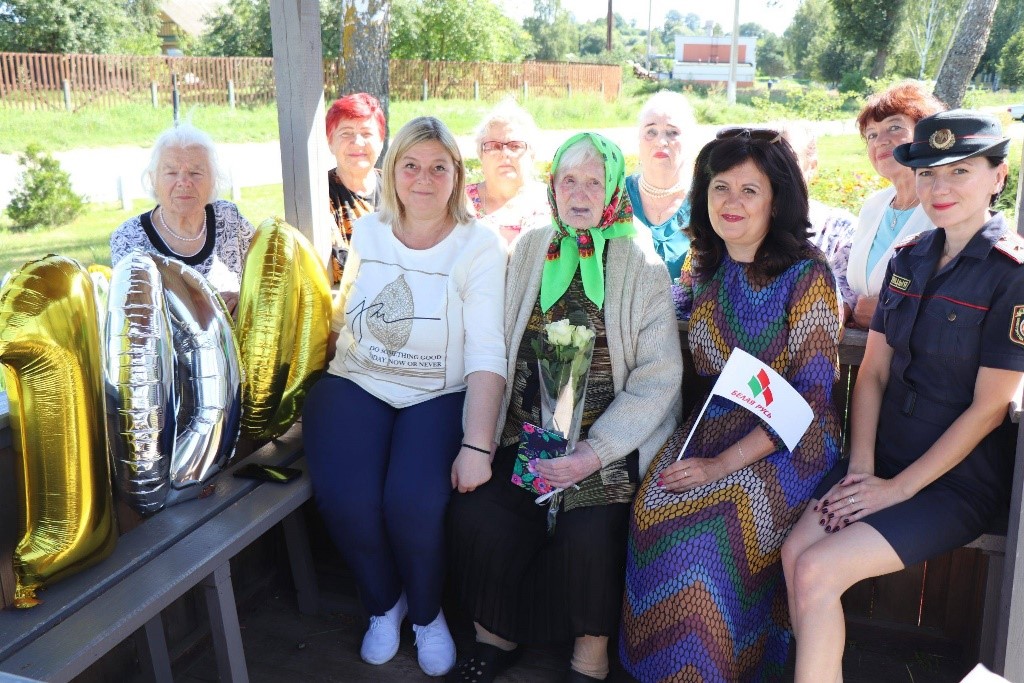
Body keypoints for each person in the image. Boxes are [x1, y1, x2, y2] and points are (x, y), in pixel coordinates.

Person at [782, 111, 1024, 682]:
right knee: (795, 556)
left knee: (817, 570)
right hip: (882, 463)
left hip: (953, 483)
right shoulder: (909, 257)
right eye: (929, 173)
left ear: (998, 176)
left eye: (960, 171)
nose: (940, 188)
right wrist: (863, 470)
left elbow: (989, 408)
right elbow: (872, 374)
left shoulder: (1012, 275)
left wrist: (897, 490)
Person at [446, 133, 682, 683]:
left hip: (606, 445)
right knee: (484, 514)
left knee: (590, 533)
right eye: (568, 181)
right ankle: (494, 635)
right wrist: (489, 437)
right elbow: (496, 343)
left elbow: (658, 380)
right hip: (530, 435)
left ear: (613, 189)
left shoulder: (641, 263)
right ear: (552, 187)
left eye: (594, 182)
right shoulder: (533, 247)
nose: (579, 193)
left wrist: (592, 453)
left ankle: (588, 658)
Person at [621, 128, 842, 682]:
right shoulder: (706, 267)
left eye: (750, 190)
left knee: (706, 538)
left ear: (777, 200)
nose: (731, 202)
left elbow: (811, 398)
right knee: (654, 508)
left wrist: (721, 466)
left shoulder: (807, 274)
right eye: (721, 187)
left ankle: (721, 668)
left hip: (792, 440)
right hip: (718, 422)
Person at [301, 116, 507, 677]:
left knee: (412, 503)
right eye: (411, 165)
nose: (423, 178)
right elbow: (346, 313)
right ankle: (383, 603)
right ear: (392, 173)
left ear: (457, 175)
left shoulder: (479, 246)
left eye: (439, 167)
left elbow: (488, 351)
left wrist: (478, 445)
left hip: (438, 394)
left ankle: (427, 613)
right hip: (358, 381)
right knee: (348, 499)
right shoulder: (370, 232)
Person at [832, 81, 945, 328]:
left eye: (894, 127)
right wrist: (847, 307)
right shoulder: (874, 206)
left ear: (927, 136)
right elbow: (847, 281)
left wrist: (888, 311)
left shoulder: (945, 207)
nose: (880, 141)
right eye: (871, 134)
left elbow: (961, 295)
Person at [109, 123, 255, 312]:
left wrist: (242, 298)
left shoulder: (228, 218)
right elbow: (136, 313)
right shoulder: (129, 237)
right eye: (171, 172)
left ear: (213, 179)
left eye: (195, 173)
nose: (184, 182)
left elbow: (264, 280)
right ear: (153, 179)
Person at [778, 122, 857, 306]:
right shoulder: (740, 225)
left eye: (788, 160)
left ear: (812, 166)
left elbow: (840, 307)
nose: (776, 171)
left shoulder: (841, 230)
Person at [625, 90, 696, 280]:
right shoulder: (616, 197)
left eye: (672, 132)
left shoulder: (707, 200)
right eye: (651, 131)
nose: (661, 142)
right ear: (638, 139)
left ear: (689, 140)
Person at [465, 98, 549, 246]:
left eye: (515, 146)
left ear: (532, 154)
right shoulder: (461, 203)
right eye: (494, 146)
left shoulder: (553, 201)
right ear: (481, 155)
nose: (504, 154)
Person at [325, 92, 386, 284]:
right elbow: (337, 265)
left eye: (367, 134)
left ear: (381, 141)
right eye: (346, 133)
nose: (357, 142)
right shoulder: (320, 194)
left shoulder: (398, 188)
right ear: (330, 142)